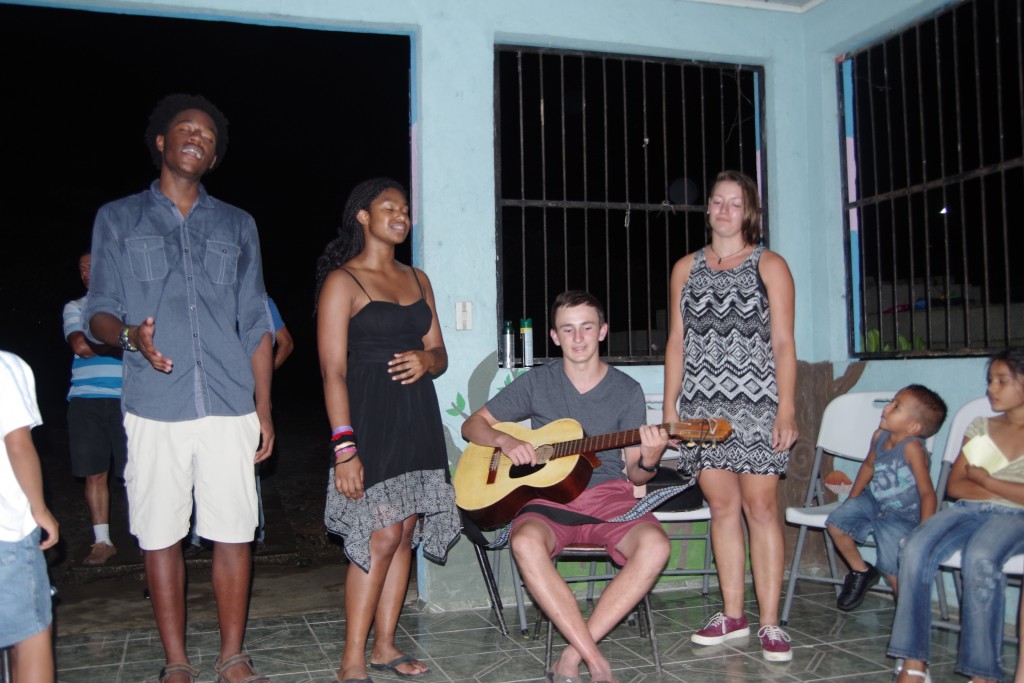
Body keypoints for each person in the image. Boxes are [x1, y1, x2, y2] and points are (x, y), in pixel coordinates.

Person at [84, 94, 275, 683]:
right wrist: (133, 339)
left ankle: (232, 655)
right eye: (186, 129)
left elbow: (256, 324)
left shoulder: (238, 224)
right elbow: (99, 315)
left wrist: (264, 407)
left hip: (227, 400)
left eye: (209, 136)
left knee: (233, 531)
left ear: (214, 158)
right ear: (162, 142)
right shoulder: (117, 218)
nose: (198, 138)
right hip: (154, 403)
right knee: (160, 533)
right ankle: (176, 661)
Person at [462, 290, 671, 683]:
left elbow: (636, 475)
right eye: (567, 329)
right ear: (555, 337)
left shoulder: (626, 390)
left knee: (656, 546)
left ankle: (573, 656)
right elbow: (472, 425)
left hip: (609, 497)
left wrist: (651, 457)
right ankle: (598, 663)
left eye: (587, 327)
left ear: (603, 331)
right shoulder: (537, 382)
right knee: (523, 542)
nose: (578, 338)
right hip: (546, 500)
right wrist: (506, 441)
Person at [316, 178, 460, 683]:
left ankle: (384, 645)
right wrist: (344, 447)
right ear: (363, 216)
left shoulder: (419, 279)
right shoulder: (343, 281)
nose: (401, 214)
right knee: (378, 535)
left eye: (405, 208)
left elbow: (440, 354)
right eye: (388, 206)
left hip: (417, 413)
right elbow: (332, 369)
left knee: (404, 534)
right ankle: (352, 659)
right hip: (370, 417)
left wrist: (428, 358)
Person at [662, 169, 798, 661]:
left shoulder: (770, 264)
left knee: (760, 508)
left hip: (758, 403)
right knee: (722, 509)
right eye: (716, 201)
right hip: (702, 407)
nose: (723, 210)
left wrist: (787, 407)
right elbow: (677, 341)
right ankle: (733, 615)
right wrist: (671, 403)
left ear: (749, 212)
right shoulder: (685, 268)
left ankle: (770, 622)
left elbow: (783, 342)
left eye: (734, 203)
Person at [889, 348, 1024, 683]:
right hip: (969, 511)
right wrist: (1001, 489)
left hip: (1016, 519)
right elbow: (956, 486)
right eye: (990, 380)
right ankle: (913, 663)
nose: (991, 388)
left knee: (981, 557)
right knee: (915, 546)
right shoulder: (982, 426)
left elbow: (977, 481)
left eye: (1002, 381)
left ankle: (982, 674)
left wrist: (989, 481)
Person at [183, 296, 292, 558]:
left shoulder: (260, 298)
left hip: (242, 399)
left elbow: (285, 343)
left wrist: (258, 375)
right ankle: (198, 537)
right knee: (197, 461)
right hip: (198, 393)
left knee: (245, 465)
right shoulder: (195, 291)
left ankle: (256, 533)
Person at [825, 385, 946, 610]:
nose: (887, 408)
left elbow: (927, 492)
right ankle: (861, 571)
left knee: (893, 571)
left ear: (913, 427)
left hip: (902, 516)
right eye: (892, 401)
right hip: (874, 500)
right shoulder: (880, 436)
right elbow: (869, 465)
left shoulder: (912, 448)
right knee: (836, 524)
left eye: (896, 406)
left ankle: (908, 615)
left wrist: (923, 532)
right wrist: (852, 498)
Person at [63, 248, 129, 566]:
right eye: (81, 268)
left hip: (128, 400)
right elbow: (79, 345)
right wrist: (126, 343)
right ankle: (102, 542)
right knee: (95, 473)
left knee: (137, 473)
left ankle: (149, 539)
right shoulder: (75, 307)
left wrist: (119, 342)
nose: (86, 272)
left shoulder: (127, 307)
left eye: (91, 266)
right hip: (85, 401)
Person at [0, 351, 59, 683]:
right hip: (7, 533)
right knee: (30, 635)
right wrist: (39, 508)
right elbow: (18, 443)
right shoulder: (6, 366)